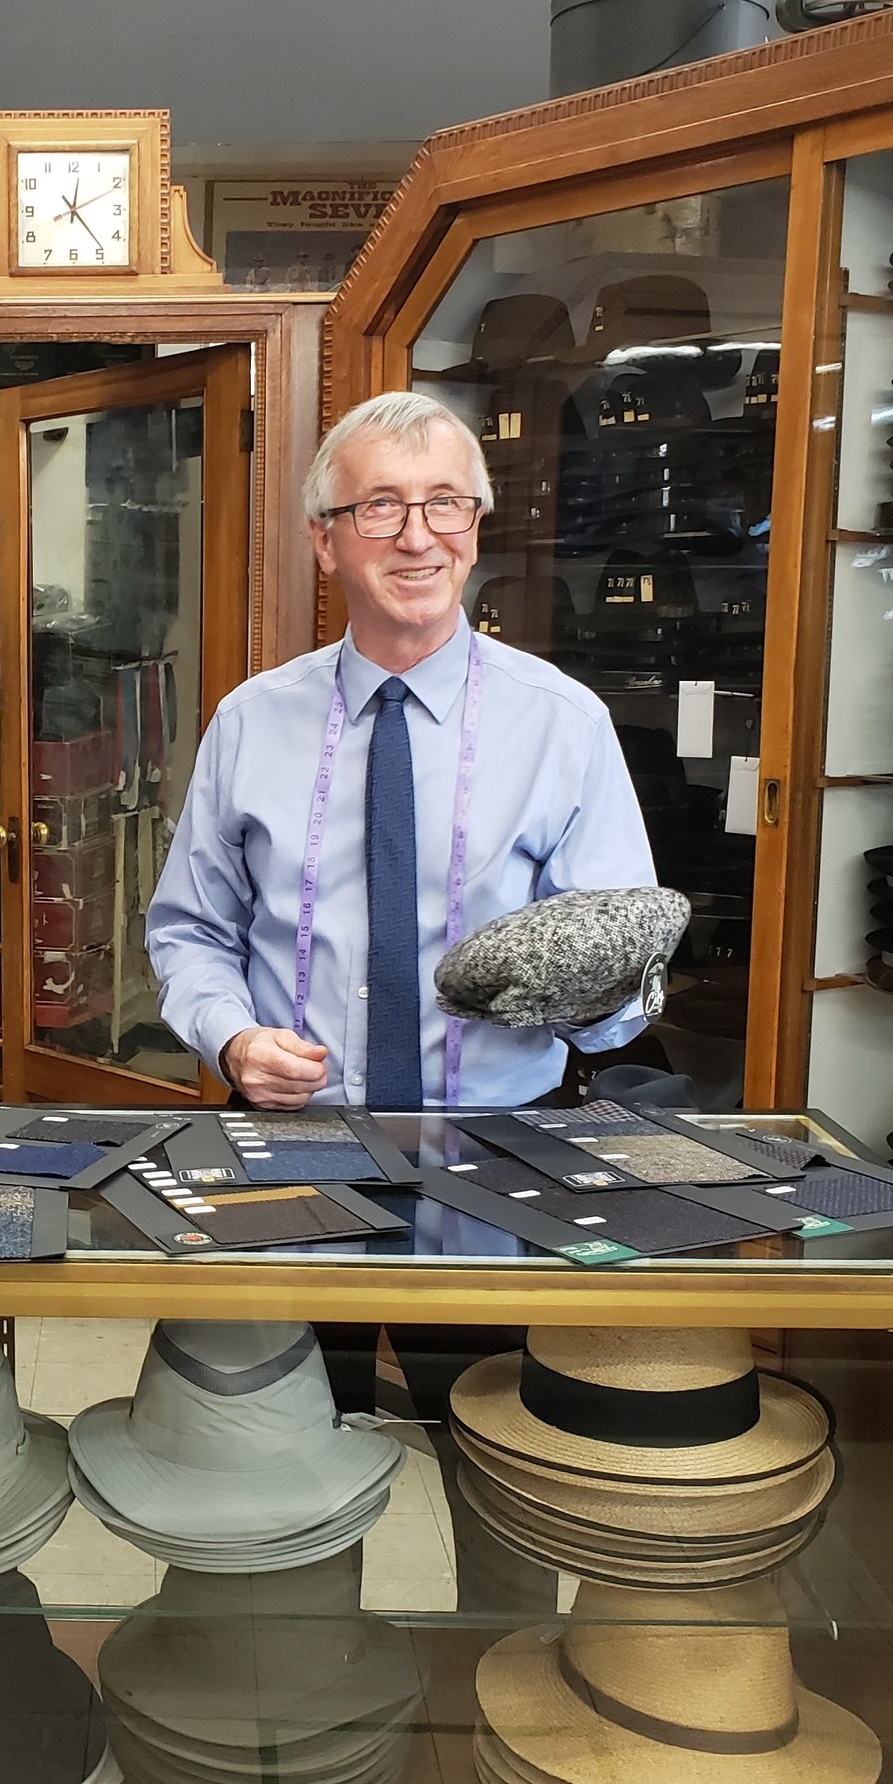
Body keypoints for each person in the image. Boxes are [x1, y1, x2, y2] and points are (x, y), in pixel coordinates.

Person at [145, 388, 659, 1608]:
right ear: (323, 539)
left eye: (443, 504)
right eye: (378, 504)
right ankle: (309, 1699)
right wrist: (229, 1034)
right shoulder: (246, 721)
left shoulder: (563, 724)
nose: (414, 535)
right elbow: (186, 930)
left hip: (497, 1161)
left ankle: (492, 1698)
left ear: (477, 527)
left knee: (502, 1492)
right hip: (293, 1164)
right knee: (280, 1484)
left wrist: (582, 1005)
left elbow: (626, 971)